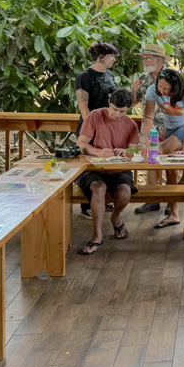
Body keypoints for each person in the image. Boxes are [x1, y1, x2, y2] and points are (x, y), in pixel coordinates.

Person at [75, 89, 139, 255]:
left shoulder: (131, 125)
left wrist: (125, 152)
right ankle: (97, 236)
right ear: (109, 103)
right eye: (114, 110)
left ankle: (115, 217)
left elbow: (133, 151)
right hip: (93, 168)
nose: (117, 114)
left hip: (118, 168)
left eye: (122, 111)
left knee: (124, 193)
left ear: (128, 109)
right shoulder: (95, 116)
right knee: (99, 188)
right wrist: (97, 152)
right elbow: (81, 144)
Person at [143, 68, 184, 229]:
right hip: (171, 128)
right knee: (161, 159)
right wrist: (148, 142)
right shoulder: (152, 91)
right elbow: (148, 117)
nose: (161, 91)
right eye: (159, 87)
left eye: (166, 89)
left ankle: (164, 200)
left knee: (161, 151)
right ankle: (165, 205)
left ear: (174, 88)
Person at [75, 42, 118, 220]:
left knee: (104, 163)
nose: (114, 60)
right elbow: (83, 106)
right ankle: (86, 205)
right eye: (112, 56)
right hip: (90, 127)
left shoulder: (109, 75)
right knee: (89, 163)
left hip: (107, 126)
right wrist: (91, 128)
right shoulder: (84, 76)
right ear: (102, 57)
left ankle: (103, 199)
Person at [131, 44, 170, 215]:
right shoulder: (143, 77)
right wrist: (133, 92)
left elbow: (182, 102)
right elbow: (133, 103)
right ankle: (152, 200)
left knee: (169, 163)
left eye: (147, 58)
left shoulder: (173, 77)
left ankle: (172, 200)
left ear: (159, 60)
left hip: (169, 127)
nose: (144, 61)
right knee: (150, 162)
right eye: (143, 58)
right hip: (148, 127)